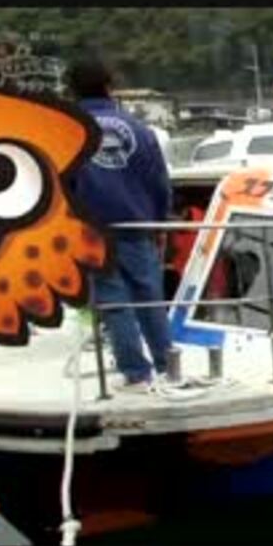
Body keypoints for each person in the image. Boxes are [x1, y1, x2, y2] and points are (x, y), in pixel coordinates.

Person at [66, 55, 173, 394]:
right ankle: (169, 366)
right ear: (110, 86)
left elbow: (60, 188)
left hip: (93, 231)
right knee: (150, 299)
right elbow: (159, 182)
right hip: (138, 227)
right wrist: (160, 223)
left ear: (71, 89)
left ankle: (137, 374)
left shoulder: (66, 132)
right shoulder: (141, 130)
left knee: (115, 304)